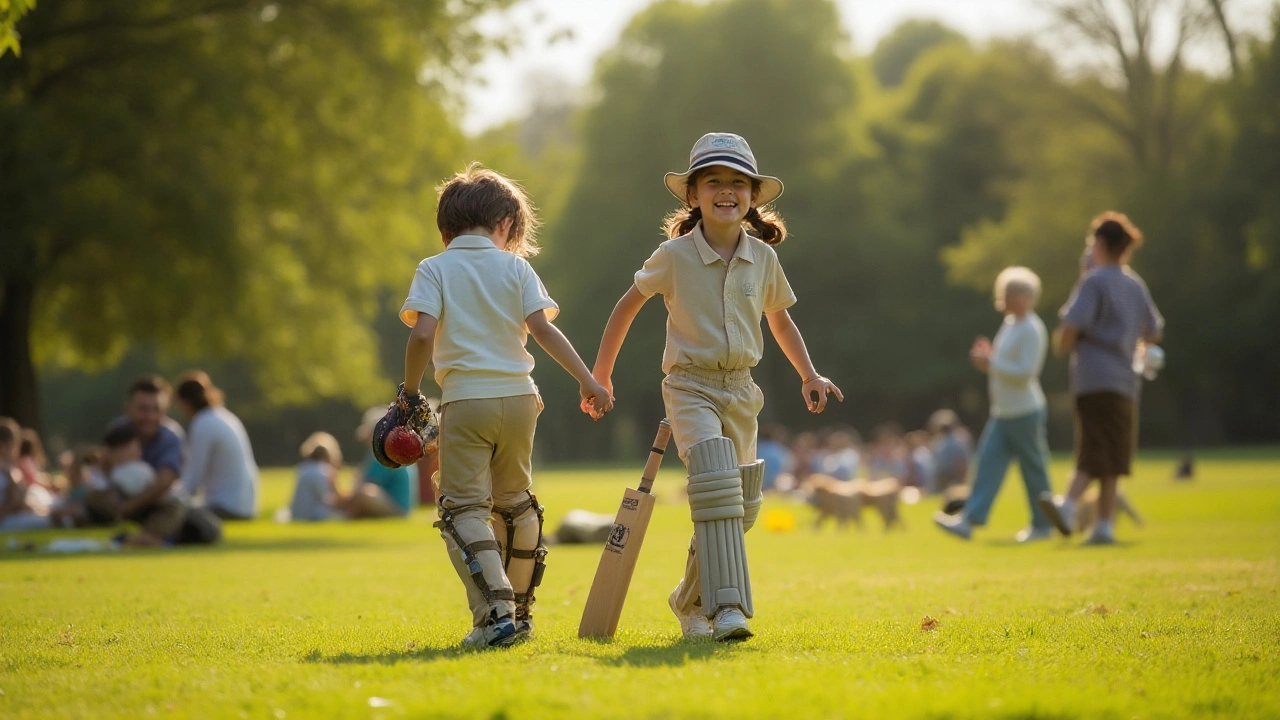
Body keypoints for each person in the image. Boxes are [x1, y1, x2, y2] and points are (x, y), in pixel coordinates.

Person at [585, 133, 843, 642]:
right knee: (716, 478)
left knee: (740, 508)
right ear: (694, 195)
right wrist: (601, 374)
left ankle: (688, 600)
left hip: (742, 390)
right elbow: (626, 306)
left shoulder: (763, 259)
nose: (727, 191)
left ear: (752, 196)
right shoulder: (673, 255)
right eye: (713, 182)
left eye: (738, 183)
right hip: (689, 386)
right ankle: (730, 609)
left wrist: (809, 374)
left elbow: (781, 323)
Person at [399, 163, 611, 648]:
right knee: (516, 504)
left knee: (462, 508)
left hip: (466, 401)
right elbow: (543, 331)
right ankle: (520, 612)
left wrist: (409, 393)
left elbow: (423, 334)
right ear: (506, 225)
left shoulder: (434, 268)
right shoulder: (516, 267)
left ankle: (494, 614)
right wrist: (589, 382)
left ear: (446, 225)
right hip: (520, 400)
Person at [1041, 212, 1164, 545]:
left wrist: (1062, 346)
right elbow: (1153, 330)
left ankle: (1067, 505)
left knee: (1094, 446)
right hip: (1126, 381)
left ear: (1099, 244)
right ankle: (1104, 525)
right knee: (1114, 453)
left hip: (1093, 377)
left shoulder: (1093, 282)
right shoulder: (1135, 284)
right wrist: (1131, 346)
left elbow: (1071, 328)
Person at [935, 266, 1054, 543]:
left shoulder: (1032, 328)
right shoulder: (1011, 324)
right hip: (1003, 411)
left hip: (1025, 411)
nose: (1006, 298)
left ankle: (1043, 525)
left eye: (1012, 293)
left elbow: (1026, 372)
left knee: (1033, 469)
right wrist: (990, 358)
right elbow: (1005, 365)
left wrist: (992, 363)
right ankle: (969, 520)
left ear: (1025, 296)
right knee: (987, 464)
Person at [101, 375, 187, 529]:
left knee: (175, 507)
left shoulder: (172, 436)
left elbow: (164, 481)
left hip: (154, 504)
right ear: (128, 408)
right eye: (143, 409)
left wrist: (129, 507)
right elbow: (104, 468)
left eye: (156, 410)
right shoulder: (117, 430)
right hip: (117, 497)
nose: (150, 417)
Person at [174, 371, 260, 520]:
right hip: (246, 506)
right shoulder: (224, 416)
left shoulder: (203, 423)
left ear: (185, 402)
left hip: (225, 507)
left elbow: (192, 481)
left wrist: (169, 496)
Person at [99, 424, 187, 547]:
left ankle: (127, 540)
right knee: (150, 536)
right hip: (162, 509)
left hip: (165, 508)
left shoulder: (135, 470)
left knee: (151, 536)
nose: (138, 452)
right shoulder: (128, 471)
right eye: (132, 448)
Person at [289, 431, 401, 521]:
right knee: (344, 516)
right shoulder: (323, 471)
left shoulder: (304, 468)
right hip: (312, 515)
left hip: (298, 514)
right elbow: (328, 500)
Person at [0, 417, 53, 531]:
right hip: (5, 520)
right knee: (45, 521)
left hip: (9, 516)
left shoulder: (8, 470)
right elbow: (14, 502)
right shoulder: (7, 472)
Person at [928, 409, 972, 492]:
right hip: (949, 478)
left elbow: (959, 464)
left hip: (950, 478)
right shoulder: (956, 442)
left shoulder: (940, 443)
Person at [756, 424, 794, 492]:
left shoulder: (757, 449)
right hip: (777, 485)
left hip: (758, 484)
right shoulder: (781, 450)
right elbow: (789, 467)